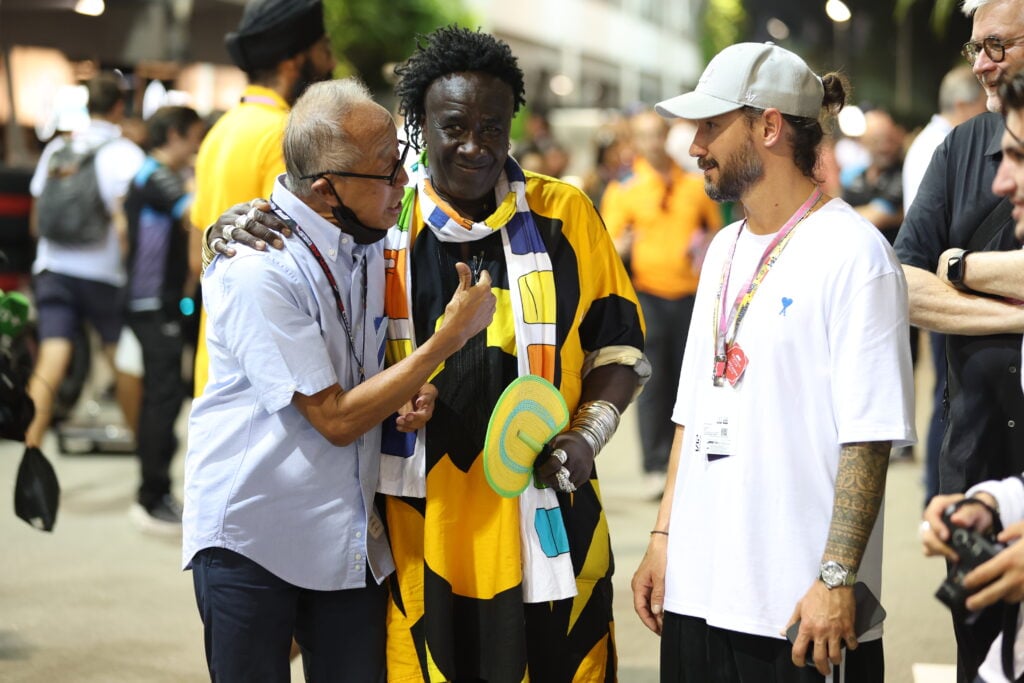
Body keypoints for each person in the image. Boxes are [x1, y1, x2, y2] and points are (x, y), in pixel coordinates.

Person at [209, 25, 649, 682]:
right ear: (416, 124)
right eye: (454, 126)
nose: (476, 145)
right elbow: (308, 213)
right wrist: (236, 221)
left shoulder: (565, 216)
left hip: (547, 513)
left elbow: (620, 349)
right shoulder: (381, 221)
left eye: (493, 126)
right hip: (418, 529)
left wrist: (589, 434)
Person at [183, 78, 495, 682]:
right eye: (388, 173)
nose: (404, 183)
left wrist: (409, 388)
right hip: (255, 534)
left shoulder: (365, 238)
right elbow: (334, 418)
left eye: (402, 161)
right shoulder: (258, 265)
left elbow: (361, 368)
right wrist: (445, 344)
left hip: (347, 539)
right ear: (327, 188)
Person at [630, 42, 915, 681]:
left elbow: (868, 437)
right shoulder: (725, 246)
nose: (693, 145)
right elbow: (691, 412)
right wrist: (663, 539)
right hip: (699, 597)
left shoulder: (856, 256)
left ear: (768, 126)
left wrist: (836, 579)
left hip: (800, 614)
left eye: (710, 126)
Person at [894, 1, 1024, 677]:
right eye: (976, 47)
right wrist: (1013, 314)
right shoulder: (961, 148)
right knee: (980, 654)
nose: (979, 64)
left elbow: (935, 274)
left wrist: (965, 268)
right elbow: (903, 284)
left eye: (996, 45)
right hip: (976, 466)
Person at [189, 0, 334, 396]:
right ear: (293, 62)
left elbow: (196, 252)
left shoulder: (220, 131)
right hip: (268, 378)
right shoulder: (285, 133)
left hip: (216, 365)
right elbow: (298, 256)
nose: (331, 62)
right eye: (325, 49)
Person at [600, 109, 722, 498]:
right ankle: (656, 464)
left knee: (693, 377)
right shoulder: (624, 189)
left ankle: (689, 457)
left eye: (657, 134)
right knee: (652, 382)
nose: (652, 142)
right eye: (644, 136)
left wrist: (703, 248)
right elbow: (608, 246)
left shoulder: (693, 184)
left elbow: (715, 232)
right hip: (648, 293)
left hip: (692, 294)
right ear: (633, 142)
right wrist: (624, 246)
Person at [25, 72, 145, 450]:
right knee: (120, 354)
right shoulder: (126, 154)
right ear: (118, 107)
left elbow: (36, 218)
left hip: (53, 266)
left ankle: (30, 449)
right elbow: (128, 224)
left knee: (52, 353)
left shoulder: (59, 149)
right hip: (103, 273)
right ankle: (143, 446)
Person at [902, 65, 987, 505]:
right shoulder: (945, 145)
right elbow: (928, 245)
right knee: (951, 399)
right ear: (961, 104)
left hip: (948, 285)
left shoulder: (930, 141)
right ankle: (937, 495)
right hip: (945, 291)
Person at [122, 106, 205, 533]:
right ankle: (151, 494)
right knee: (163, 396)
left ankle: (154, 491)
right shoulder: (155, 176)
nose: (197, 147)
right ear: (173, 135)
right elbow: (195, 211)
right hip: (151, 304)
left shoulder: (152, 175)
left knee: (166, 394)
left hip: (158, 303)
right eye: (193, 137)